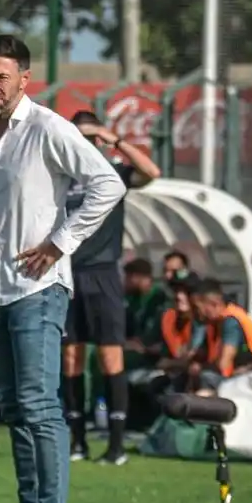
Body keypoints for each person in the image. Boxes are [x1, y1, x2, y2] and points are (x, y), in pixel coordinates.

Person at [0, 35, 126, 503]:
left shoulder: (51, 127)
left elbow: (108, 183)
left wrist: (60, 243)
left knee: (39, 406)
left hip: (40, 290)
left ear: (24, 79)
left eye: (2, 76)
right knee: (13, 407)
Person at [58, 110, 161, 466]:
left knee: (108, 356)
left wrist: (113, 137)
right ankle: (77, 441)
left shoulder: (110, 171)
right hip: (66, 271)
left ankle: (115, 447)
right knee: (70, 358)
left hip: (103, 274)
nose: (84, 142)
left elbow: (152, 173)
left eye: (89, 136)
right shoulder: (60, 174)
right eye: (78, 135)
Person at [191, 278, 252, 392]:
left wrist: (201, 368)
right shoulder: (218, 323)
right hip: (249, 375)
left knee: (206, 378)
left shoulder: (231, 322)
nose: (198, 314)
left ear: (214, 304)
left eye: (198, 308)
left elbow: (224, 363)